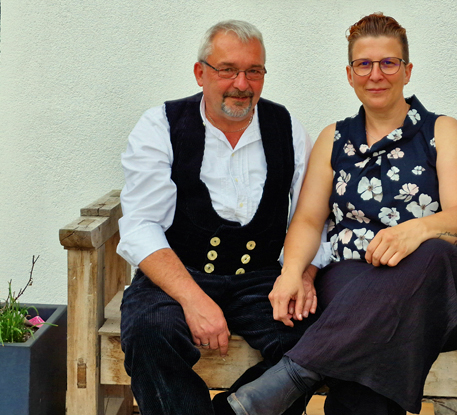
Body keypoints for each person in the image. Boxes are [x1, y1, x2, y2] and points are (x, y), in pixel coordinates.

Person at [226, 13, 457, 415]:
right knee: (373, 332)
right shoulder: (333, 140)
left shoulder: (441, 131)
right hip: (356, 283)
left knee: (428, 254)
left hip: (450, 294)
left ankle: (296, 374)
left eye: (388, 62)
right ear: (350, 74)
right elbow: (308, 220)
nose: (376, 74)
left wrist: (414, 232)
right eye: (364, 64)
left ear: (407, 71)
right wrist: (291, 274)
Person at [117, 20, 329, 415]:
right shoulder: (161, 125)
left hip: (262, 278)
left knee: (317, 342)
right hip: (178, 272)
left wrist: (303, 275)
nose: (241, 84)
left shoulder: (287, 129)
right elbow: (141, 225)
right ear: (201, 73)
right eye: (227, 69)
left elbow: (313, 217)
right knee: (150, 333)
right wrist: (193, 298)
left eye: (254, 71)